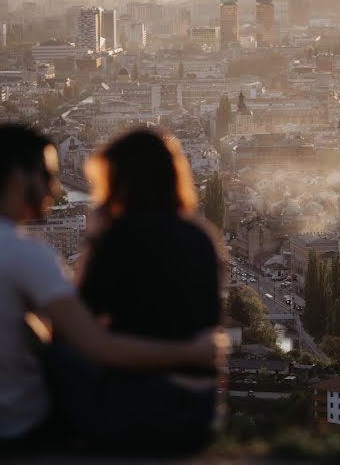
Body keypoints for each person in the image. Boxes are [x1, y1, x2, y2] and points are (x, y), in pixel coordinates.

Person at [0, 124, 227, 441]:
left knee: (60, 349)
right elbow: (96, 343)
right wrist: (192, 352)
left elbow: (82, 336)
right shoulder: (203, 238)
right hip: (196, 405)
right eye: (47, 175)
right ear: (19, 178)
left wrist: (95, 240)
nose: (55, 188)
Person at [53, 128, 224, 451]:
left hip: (142, 408)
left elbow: (77, 324)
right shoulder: (202, 237)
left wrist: (93, 240)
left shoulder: (120, 237)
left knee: (52, 353)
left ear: (121, 183)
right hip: (198, 413)